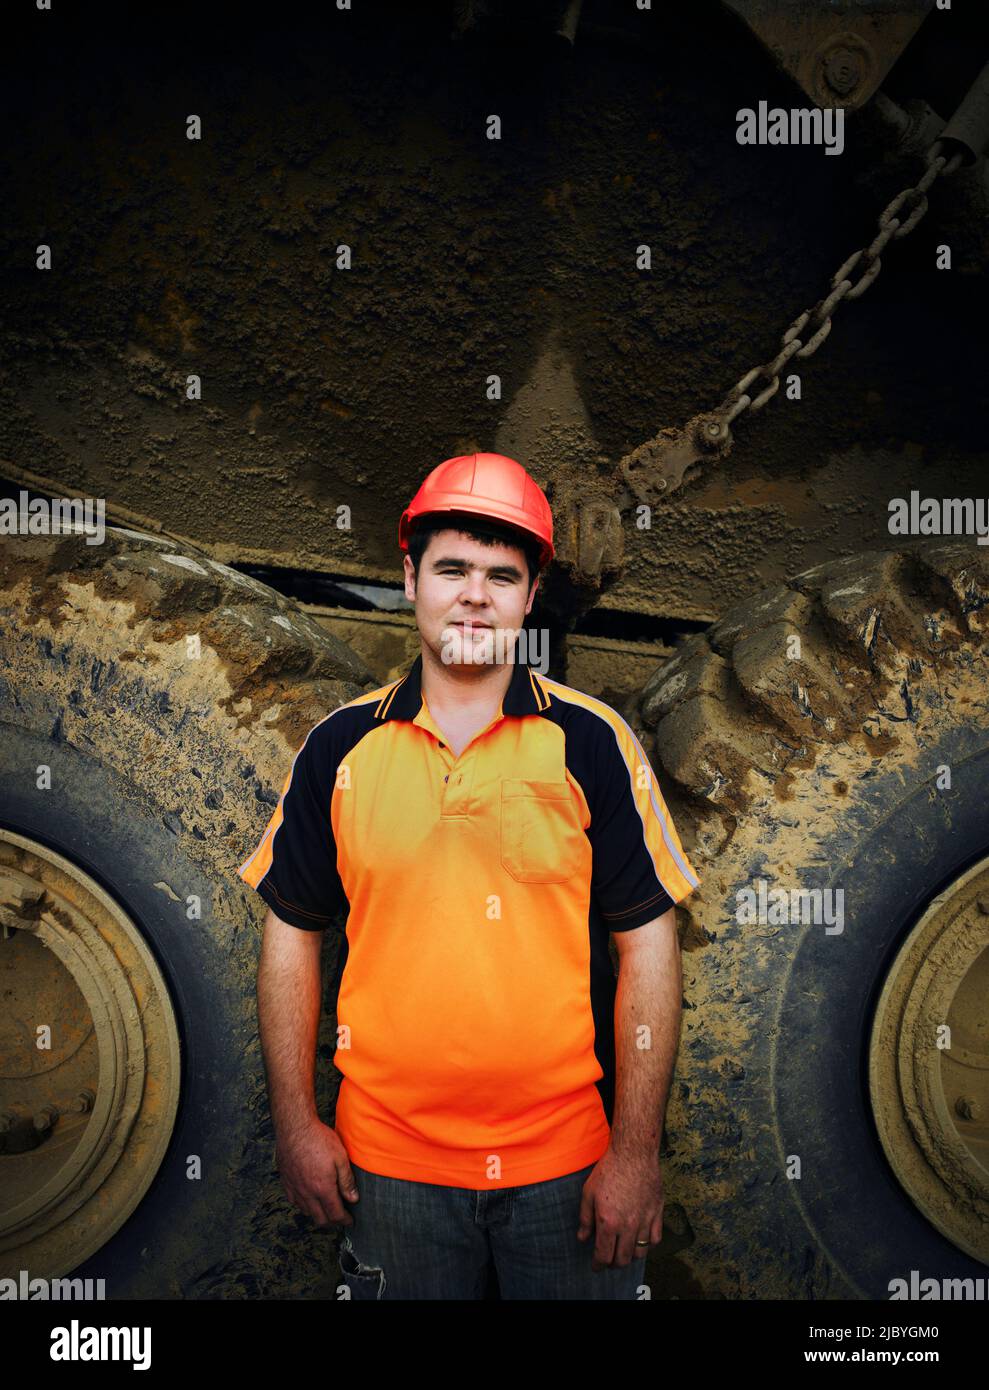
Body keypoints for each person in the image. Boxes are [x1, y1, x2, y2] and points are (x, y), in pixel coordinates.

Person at [237, 451, 700, 1300]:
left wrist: (635, 1153)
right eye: (452, 569)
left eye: (501, 574)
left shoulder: (591, 743)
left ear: (529, 597)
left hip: (568, 1164)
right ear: (410, 578)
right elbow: (291, 933)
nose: (475, 594)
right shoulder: (339, 748)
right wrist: (297, 1125)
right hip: (388, 1168)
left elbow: (648, 946)